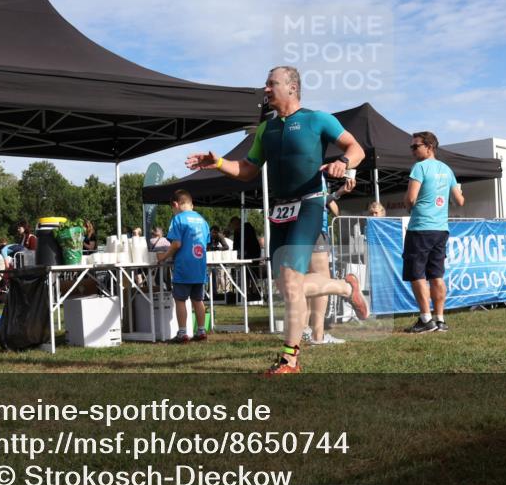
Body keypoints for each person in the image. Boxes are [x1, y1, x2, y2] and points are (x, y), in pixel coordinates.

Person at [186, 65, 367, 375]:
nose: (266, 89)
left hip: (309, 204)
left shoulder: (317, 119)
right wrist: (216, 163)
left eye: (272, 84)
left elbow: (356, 147)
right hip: (279, 210)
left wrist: (343, 162)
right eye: (266, 84)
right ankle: (345, 288)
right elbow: (247, 169)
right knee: (286, 286)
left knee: (293, 282)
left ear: (292, 87)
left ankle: (290, 358)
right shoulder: (266, 130)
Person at [403, 131, 464, 334]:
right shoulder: (447, 169)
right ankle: (440, 320)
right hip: (440, 229)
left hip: (421, 227)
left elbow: (411, 199)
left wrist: (408, 205)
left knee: (417, 274)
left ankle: (425, 319)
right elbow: (460, 201)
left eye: (415, 146)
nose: (412, 151)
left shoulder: (419, 167)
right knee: (436, 274)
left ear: (429, 147)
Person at [304, 177, 355, 345]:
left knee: (307, 280)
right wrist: (339, 193)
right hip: (314, 227)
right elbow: (319, 199)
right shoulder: (313, 169)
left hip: (297, 229)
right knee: (321, 280)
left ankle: (304, 330)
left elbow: (329, 204)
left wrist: (334, 196)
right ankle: (317, 336)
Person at [155, 190, 210, 343]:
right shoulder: (202, 220)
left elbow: (177, 243)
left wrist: (163, 257)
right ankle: (201, 331)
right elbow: (205, 243)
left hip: (183, 267)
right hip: (199, 267)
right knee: (198, 300)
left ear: (175, 204)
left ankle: (182, 333)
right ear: (191, 204)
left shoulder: (178, 219)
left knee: (180, 300)